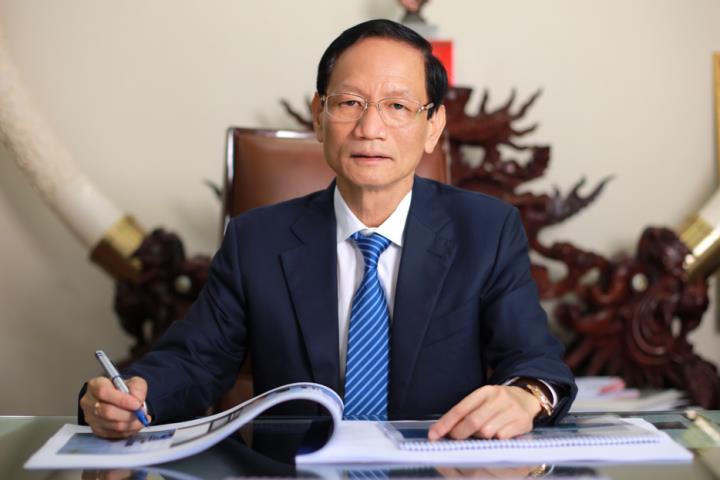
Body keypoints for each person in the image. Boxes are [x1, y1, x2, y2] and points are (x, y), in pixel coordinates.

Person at [79, 19, 576, 441]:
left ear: (433, 127)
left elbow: (535, 359)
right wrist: (133, 396)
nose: (370, 129)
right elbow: (195, 362)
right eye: (349, 103)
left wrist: (526, 395)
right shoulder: (257, 241)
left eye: (398, 106)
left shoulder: (486, 231)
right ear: (319, 117)